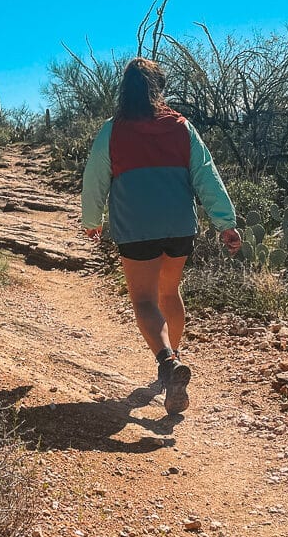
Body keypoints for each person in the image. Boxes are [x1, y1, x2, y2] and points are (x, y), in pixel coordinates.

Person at [80, 57, 241, 415]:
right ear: (159, 88)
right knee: (169, 291)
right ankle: (174, 359)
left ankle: (168, 364)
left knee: (144, 301)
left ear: (125, 90)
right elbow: (206, 176)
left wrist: (92, 219)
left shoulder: (113, 130)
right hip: (179, 227)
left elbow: (95, 178)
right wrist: (225, 223)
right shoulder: (182, 127)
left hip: (136, 230)